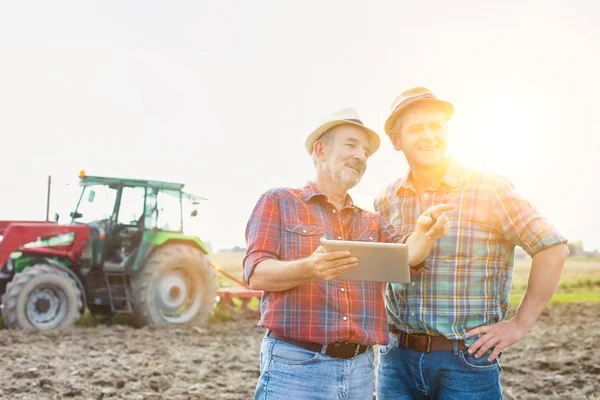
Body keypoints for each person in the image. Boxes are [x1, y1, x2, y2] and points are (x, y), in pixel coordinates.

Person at [243, 107, 453, 400]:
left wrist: (425, 232)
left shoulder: (370, 220)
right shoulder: (278, 201)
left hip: (360, 370)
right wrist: (311, 268)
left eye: (366, 151)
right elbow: (257, 274)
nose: (361, 156)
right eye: (351, 145)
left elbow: (408, 256)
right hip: (297, 366)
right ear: (321, 149)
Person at [374, 87, 569, 399]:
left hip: (466, 361)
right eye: (416, 129)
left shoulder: (490, 188)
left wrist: (518, 325)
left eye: (436, 126)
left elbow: (552, 248)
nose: (429, 136)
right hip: (396, 361)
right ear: (396, 141)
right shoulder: (387, 198)